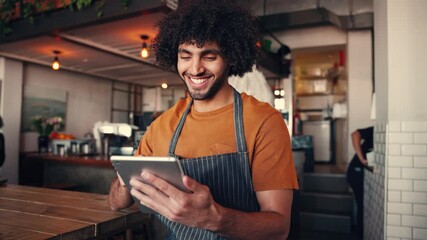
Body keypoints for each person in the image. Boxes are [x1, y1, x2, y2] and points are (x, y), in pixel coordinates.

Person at [108, 0, 299, 239]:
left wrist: (213, 219)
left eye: (209, 56)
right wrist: (124, 180)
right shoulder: (161, 126)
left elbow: (279, 227)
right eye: (185, 56)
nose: (195, 68)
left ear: (230, 57)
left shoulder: (264, 122)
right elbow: (117, 204)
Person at [346, 126, 374, 239]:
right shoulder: (375, 130)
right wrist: (362, 159)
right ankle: (360, 235)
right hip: (355, 170)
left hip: (359, 171)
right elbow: (354, 134)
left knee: (362, 205)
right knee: (361, 206)